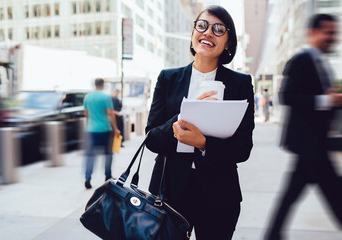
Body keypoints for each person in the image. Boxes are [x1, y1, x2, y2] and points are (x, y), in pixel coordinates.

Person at [145, 5, 254, 239]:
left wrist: (204, 143)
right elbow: (151, 139)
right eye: (202, 25)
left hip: (219, 195)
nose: (207, 33)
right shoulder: (168, 78)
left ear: (228, 43)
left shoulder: (240, 84)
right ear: (193, 33)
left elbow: (243, 147)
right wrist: (185, 113)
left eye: (218, 29)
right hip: (170, 193)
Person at [264, 14, 342, 240]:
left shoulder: (321, 63)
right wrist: (328, 100)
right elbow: (287, 96)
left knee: (294, 195)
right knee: (334, 194)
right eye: (328, 32)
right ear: (313, 33)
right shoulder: (301, 60)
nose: (332, 37)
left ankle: (273, 235)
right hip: (310, 146)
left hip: (314, 146)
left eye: (334, 33)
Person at [83, 78, 120, 189]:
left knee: (90, 156)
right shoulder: (106, 97)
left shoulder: (87, 97)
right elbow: (110, 114)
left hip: (91, 130)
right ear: (103, 85)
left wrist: (89, 126)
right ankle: (108, 176)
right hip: (105, 130)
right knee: (108, 154)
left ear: (95, 85)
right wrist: (116, 128)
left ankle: (88, 178)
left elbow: (86, 114)